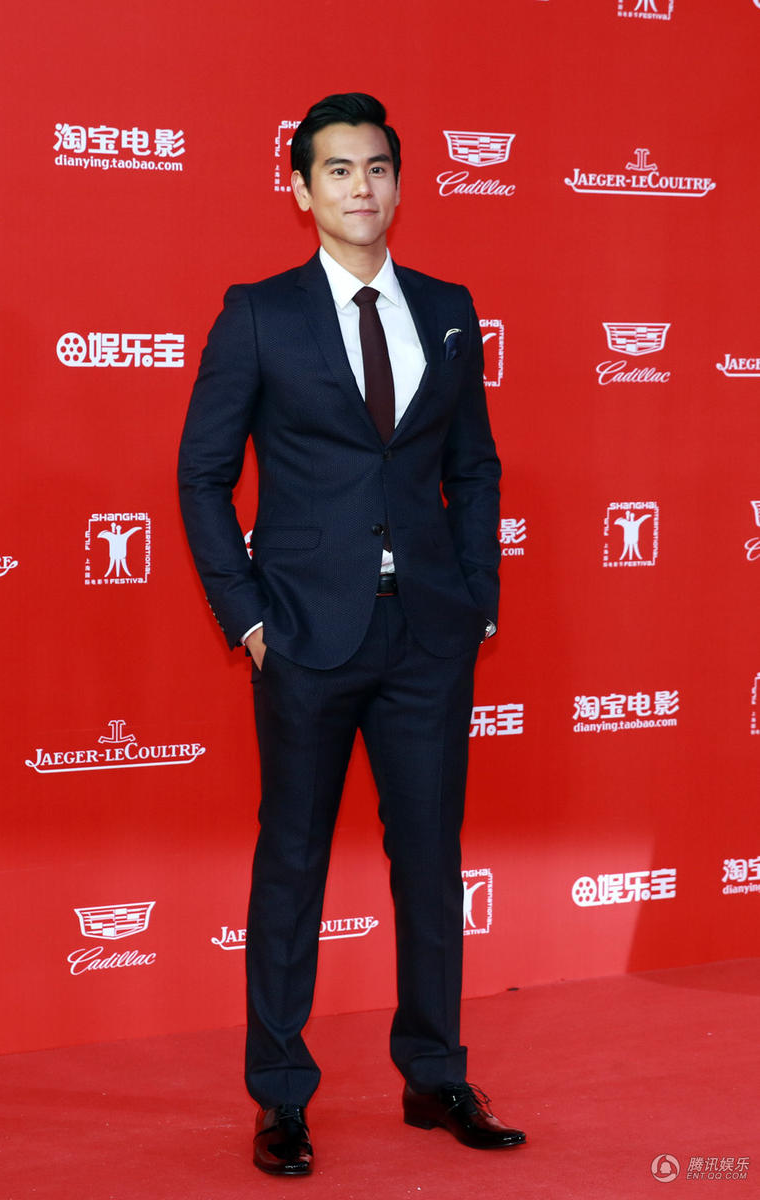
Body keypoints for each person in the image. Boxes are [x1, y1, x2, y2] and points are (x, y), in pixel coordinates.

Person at [178, 92, 525, 1176]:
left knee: (429, 859)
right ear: (300, 189)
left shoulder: (449, 308)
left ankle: (435, 1074)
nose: (359, 187)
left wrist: (477, 595)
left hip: (427, 634)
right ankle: (281, 1096)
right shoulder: (258, 314)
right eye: (336, 170)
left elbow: (473, 466)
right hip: (304, 636)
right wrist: (248, 619)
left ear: (400, 182)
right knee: (292, 861)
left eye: (376, 167)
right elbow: (201, 476)